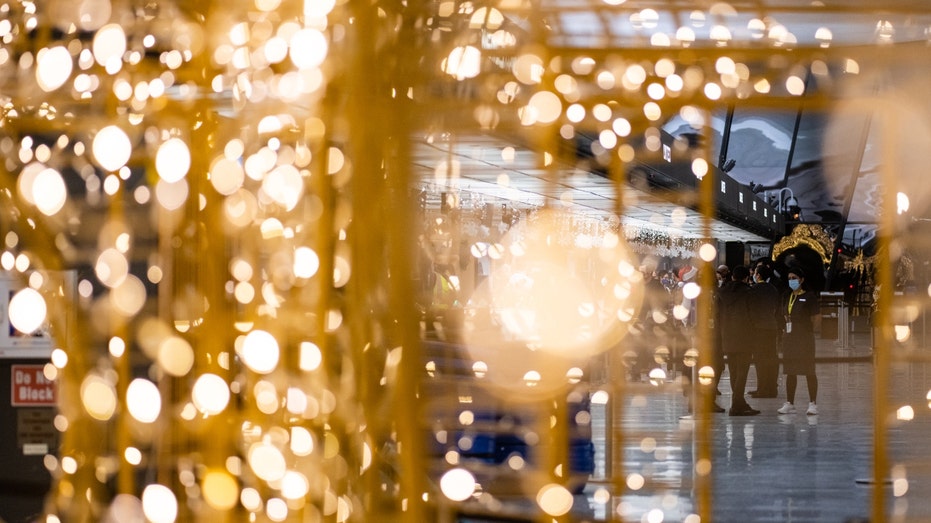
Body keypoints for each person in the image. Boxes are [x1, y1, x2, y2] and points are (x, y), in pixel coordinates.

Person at [777, 266, 821, 415]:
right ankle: (790, 402)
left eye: (794, 278)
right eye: (789, 278)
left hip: (805, 337)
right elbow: (784, 314)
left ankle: (812, 403)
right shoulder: (787, 296)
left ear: (801, 280)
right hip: (789, 337)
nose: (791, 281)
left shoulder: (809, 297)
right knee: (790, 370)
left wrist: (809, 331)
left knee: (809, 370)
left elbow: (816, 318)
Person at [718, 265, 760, 416]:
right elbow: (754, 315)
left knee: (734, 370)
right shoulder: (749, 293)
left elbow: (717, 315)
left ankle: (739, 401)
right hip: (745, 336)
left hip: (727, 335)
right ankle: (736, 404)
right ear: (746, 278)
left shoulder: (722, 292)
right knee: (742, 371)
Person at [746, 264, 782, 398]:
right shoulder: (773, 289)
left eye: (755, 273)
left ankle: (762, 388)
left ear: (758, 275)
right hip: (772, 327)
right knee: (772, 357)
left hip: (758, 328)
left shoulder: (753, 290)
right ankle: (772, 388)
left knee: (760, 359)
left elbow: (750, 309)